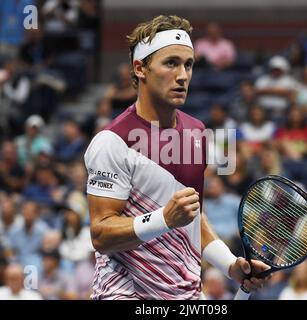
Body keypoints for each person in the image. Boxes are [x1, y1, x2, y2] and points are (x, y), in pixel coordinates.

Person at [84, 15, 270, 300]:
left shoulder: (197, 132)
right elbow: (101, 234)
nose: (182, 75)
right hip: (123, 294)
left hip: (185, 294)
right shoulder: (112, 141)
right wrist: (164, 219)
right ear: (140, 68)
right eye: (171, 63)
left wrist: (230, 264)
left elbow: (192, 217)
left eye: (188, 64)